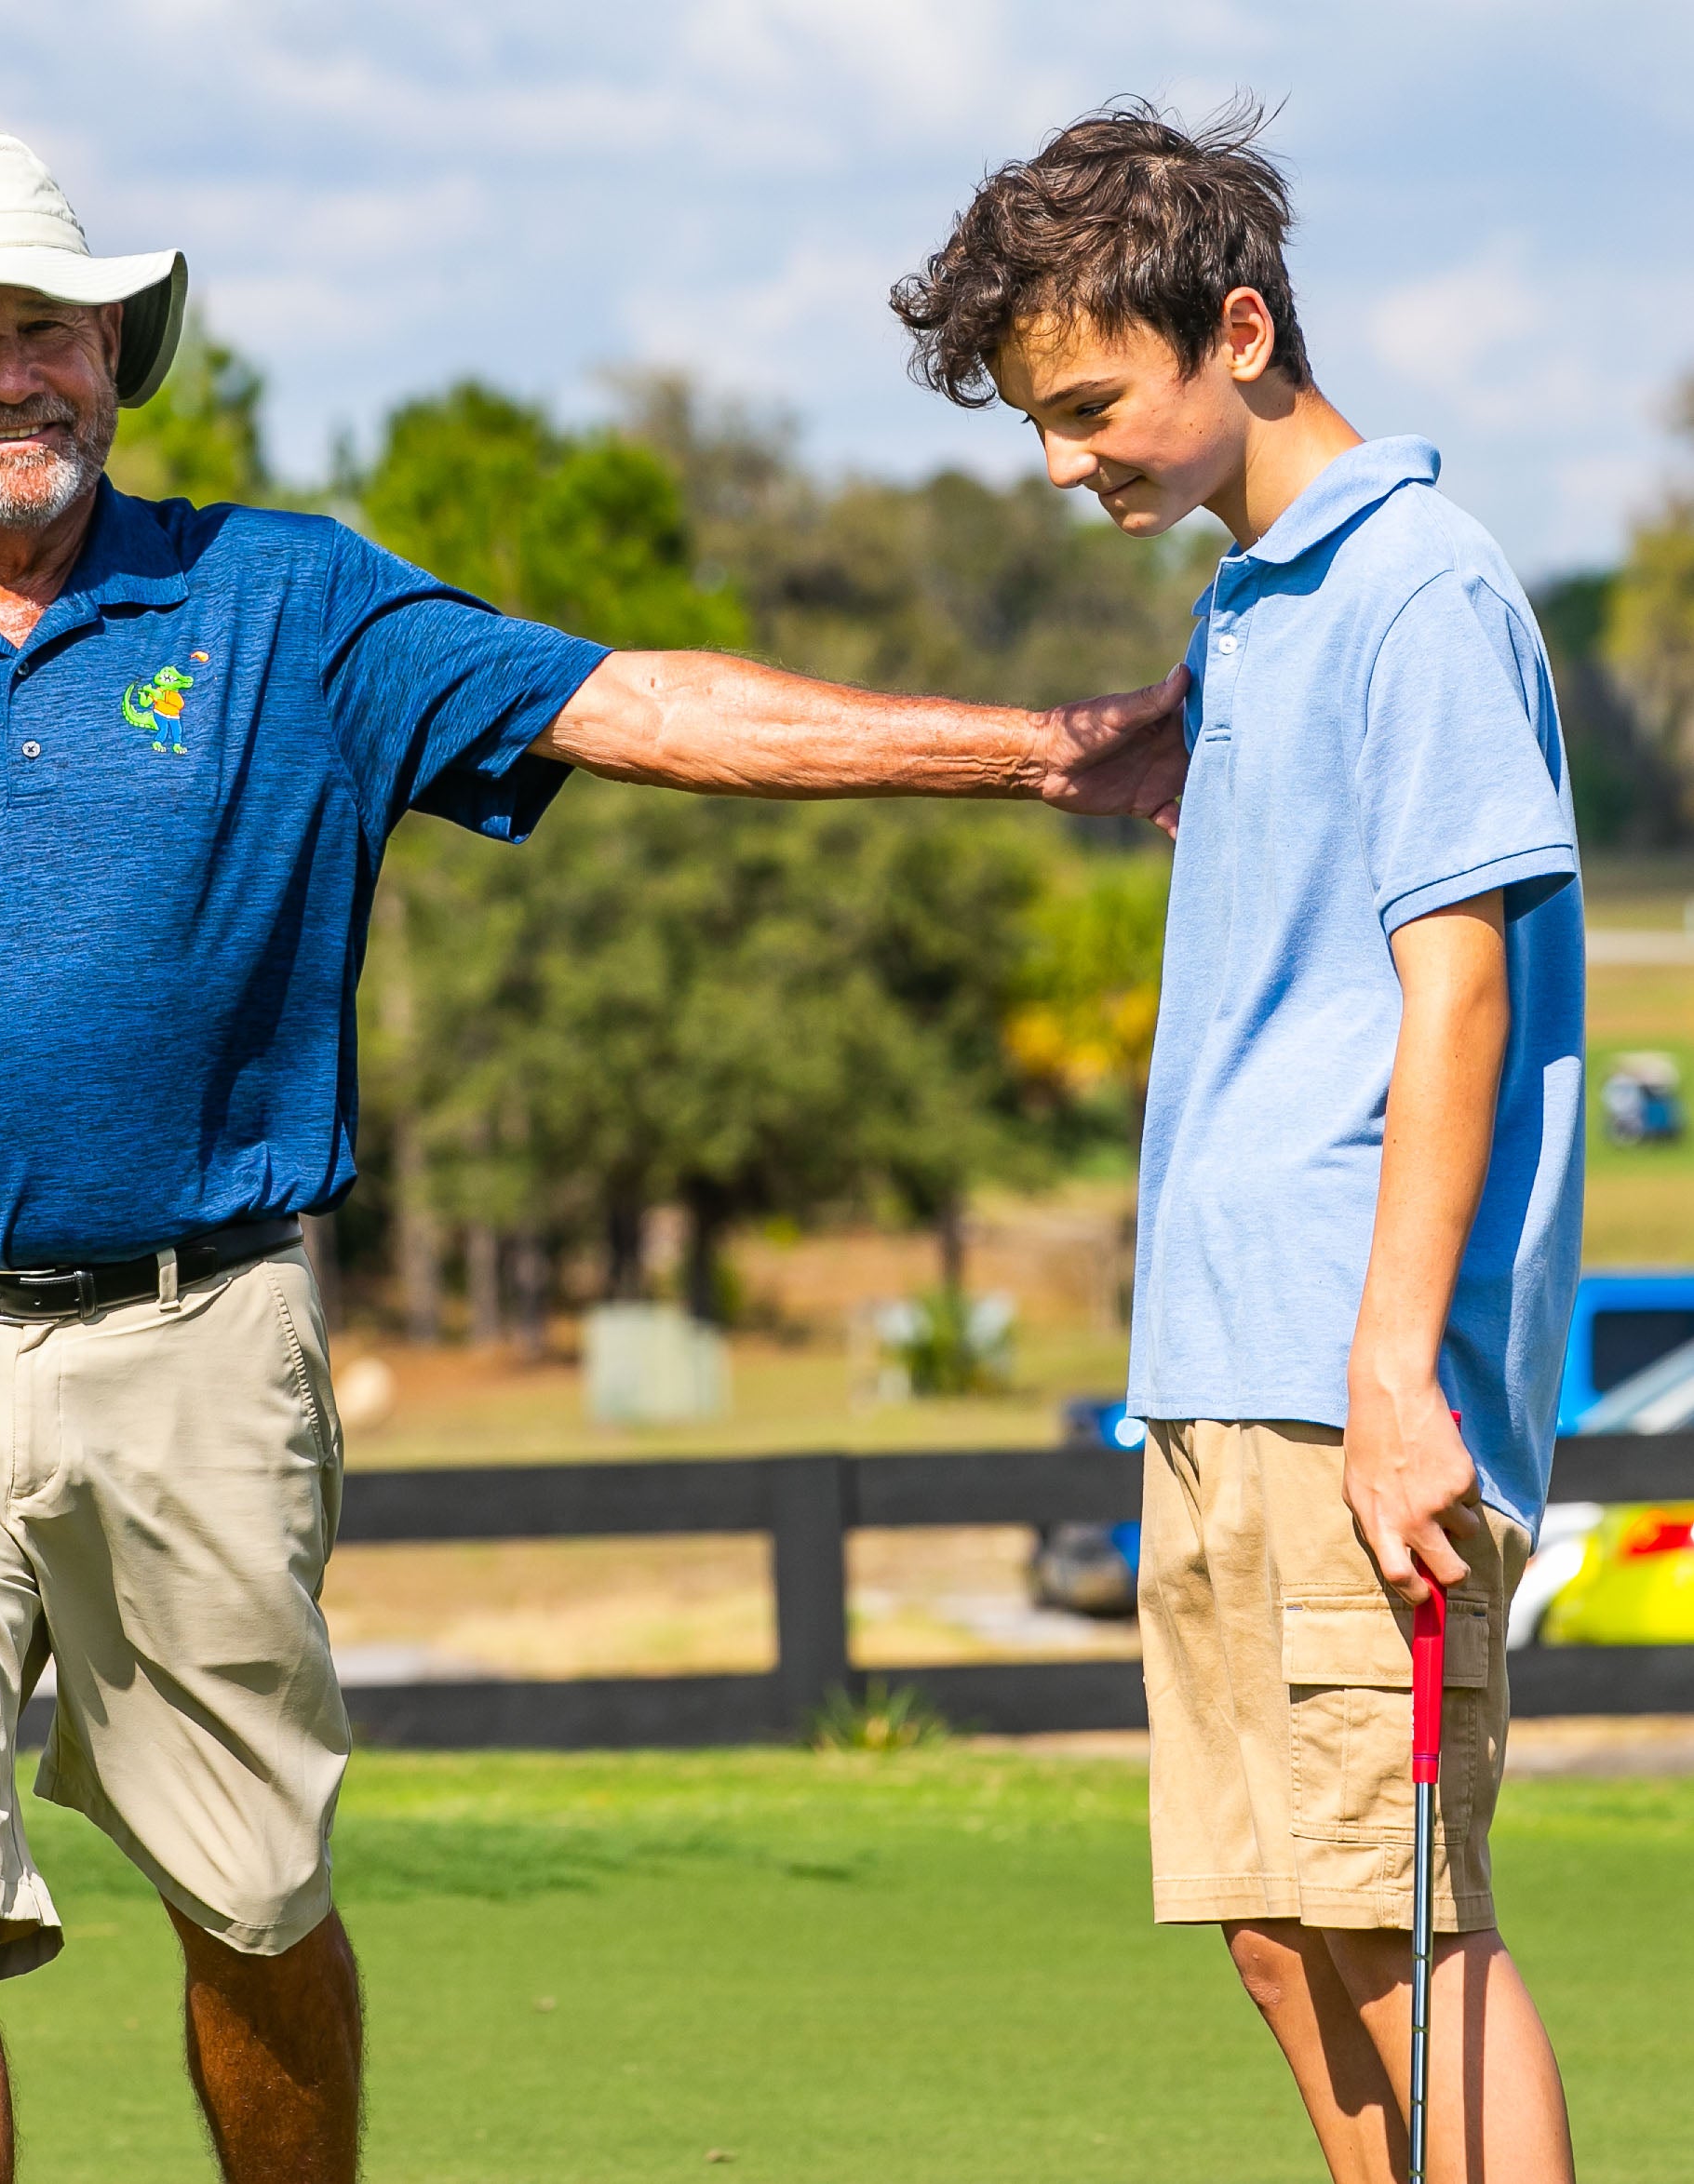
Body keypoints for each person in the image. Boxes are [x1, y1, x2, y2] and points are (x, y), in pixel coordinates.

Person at [0, 128, 1190, 2184]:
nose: (12, 377)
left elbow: (643, 704)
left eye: (46, 329)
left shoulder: (289, 603)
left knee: (248, 1901)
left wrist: (1026, 747)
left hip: (201, 1333)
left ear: (111, 351)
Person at [893, 101, 1581, 2184]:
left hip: (1336, 1376)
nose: (1061, 460)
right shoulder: (1257, 604)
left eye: (1090, 404)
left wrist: (1391, 1380)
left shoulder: (1420, 587)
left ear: (1242, 330)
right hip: (1214, 1372)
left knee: (1398, 1928)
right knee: (1280, 1932)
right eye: (1033, 420)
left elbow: (1453, 986)